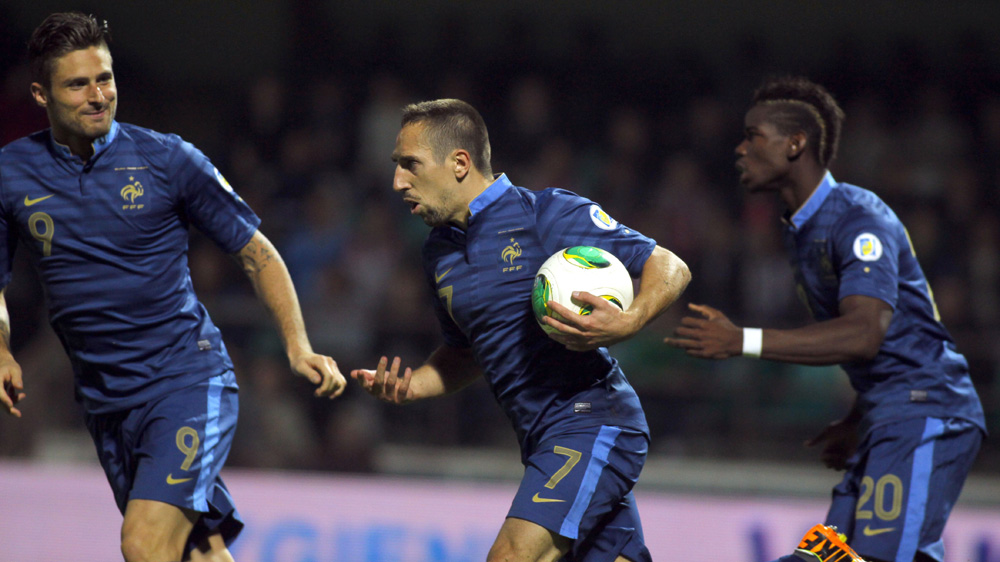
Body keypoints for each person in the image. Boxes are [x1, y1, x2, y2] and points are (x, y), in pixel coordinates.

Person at [0, 12, 347, 562]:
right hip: (106, 405)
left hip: (185, 382)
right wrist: (1, 349)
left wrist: (297, 344)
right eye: (78, 84)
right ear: (41, 94)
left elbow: (257, 252)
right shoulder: (10, 173)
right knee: (196, 552)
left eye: (105, 78)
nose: (98, 95)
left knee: (143, 543)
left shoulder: (167, 159)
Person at [351, 98, 691, 561]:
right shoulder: (438, 253)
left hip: (592, 420)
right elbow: (466, 352)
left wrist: (628, 321)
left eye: (410, 164)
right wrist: (412, 387)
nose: (398, 181)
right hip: (538, 438)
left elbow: (669, 265)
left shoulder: (545, 214)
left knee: (511, 556)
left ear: (459, 163)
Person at [665, 76, 986, 562]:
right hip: (888, 417)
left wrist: (741, 341)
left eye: (753, 136)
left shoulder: (858, 219)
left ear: (795, 144)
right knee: (820, 559)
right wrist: (860, 415)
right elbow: (891, 343)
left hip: (925, 412)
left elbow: (865, 333)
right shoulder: (802, 230)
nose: (740, 148)